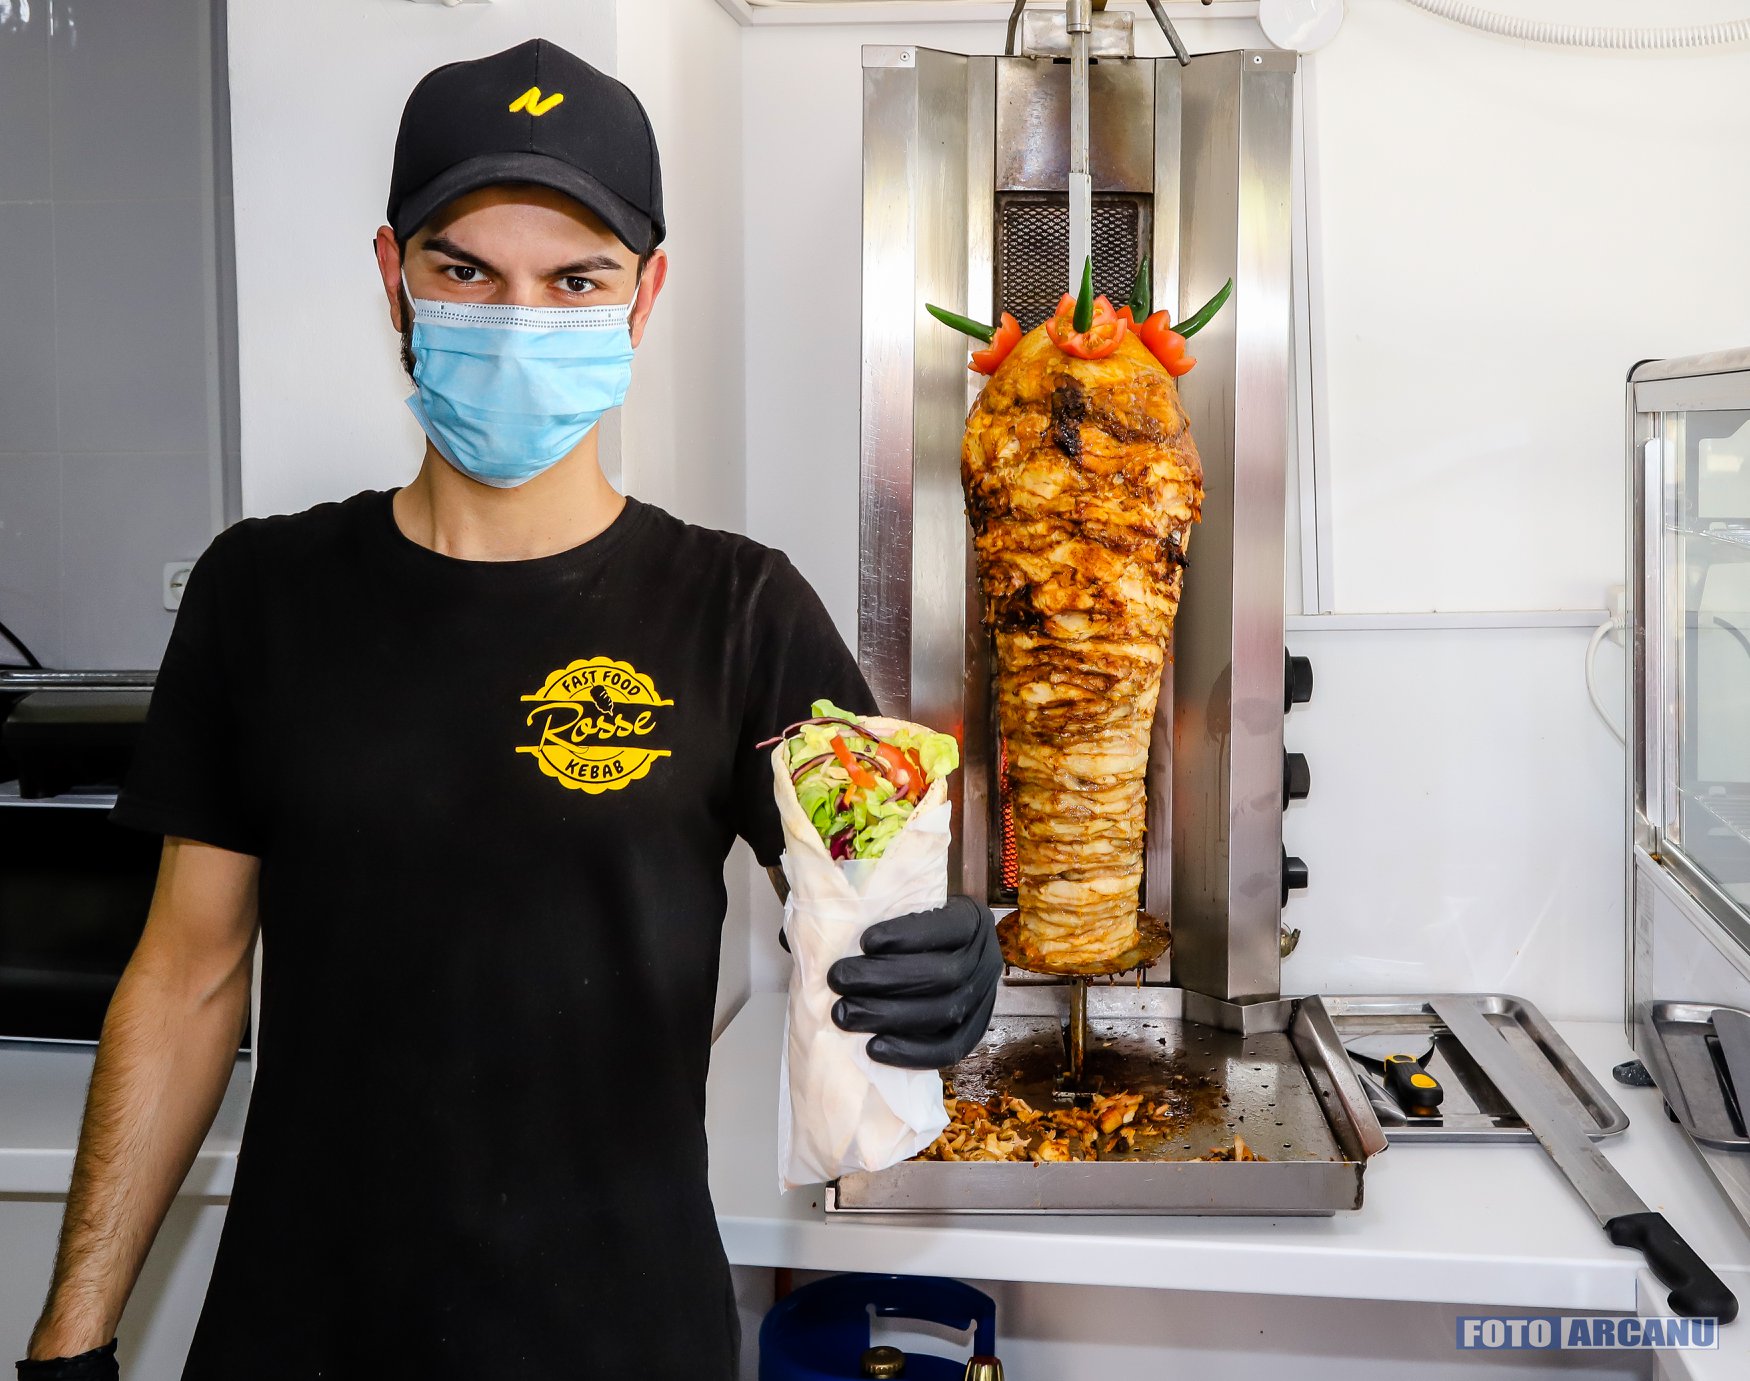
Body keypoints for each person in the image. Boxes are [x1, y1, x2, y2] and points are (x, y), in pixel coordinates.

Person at [20, 39, 1001, 1381]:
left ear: (645, 295)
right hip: (301, 1333)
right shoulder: (262, 594)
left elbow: (870, 893)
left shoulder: (740, 611)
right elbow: (185, 978)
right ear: (394, 277)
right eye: (467, 270)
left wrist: (945, 958)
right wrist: (71, 1336)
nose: (518, 318)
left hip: (618, 1338)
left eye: (575, 280)